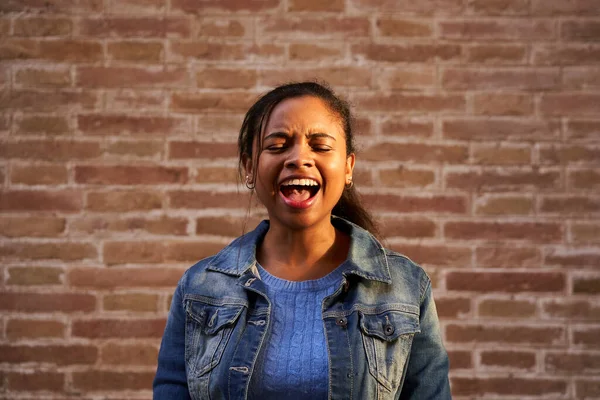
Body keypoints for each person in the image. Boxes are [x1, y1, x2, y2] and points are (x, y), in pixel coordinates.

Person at [153, 82, 451, 399]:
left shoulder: (405, 287)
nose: (299, 158)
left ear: (349, 167)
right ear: (249, 167)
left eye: (320, 147)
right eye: (278, 146)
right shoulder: (201, 287)